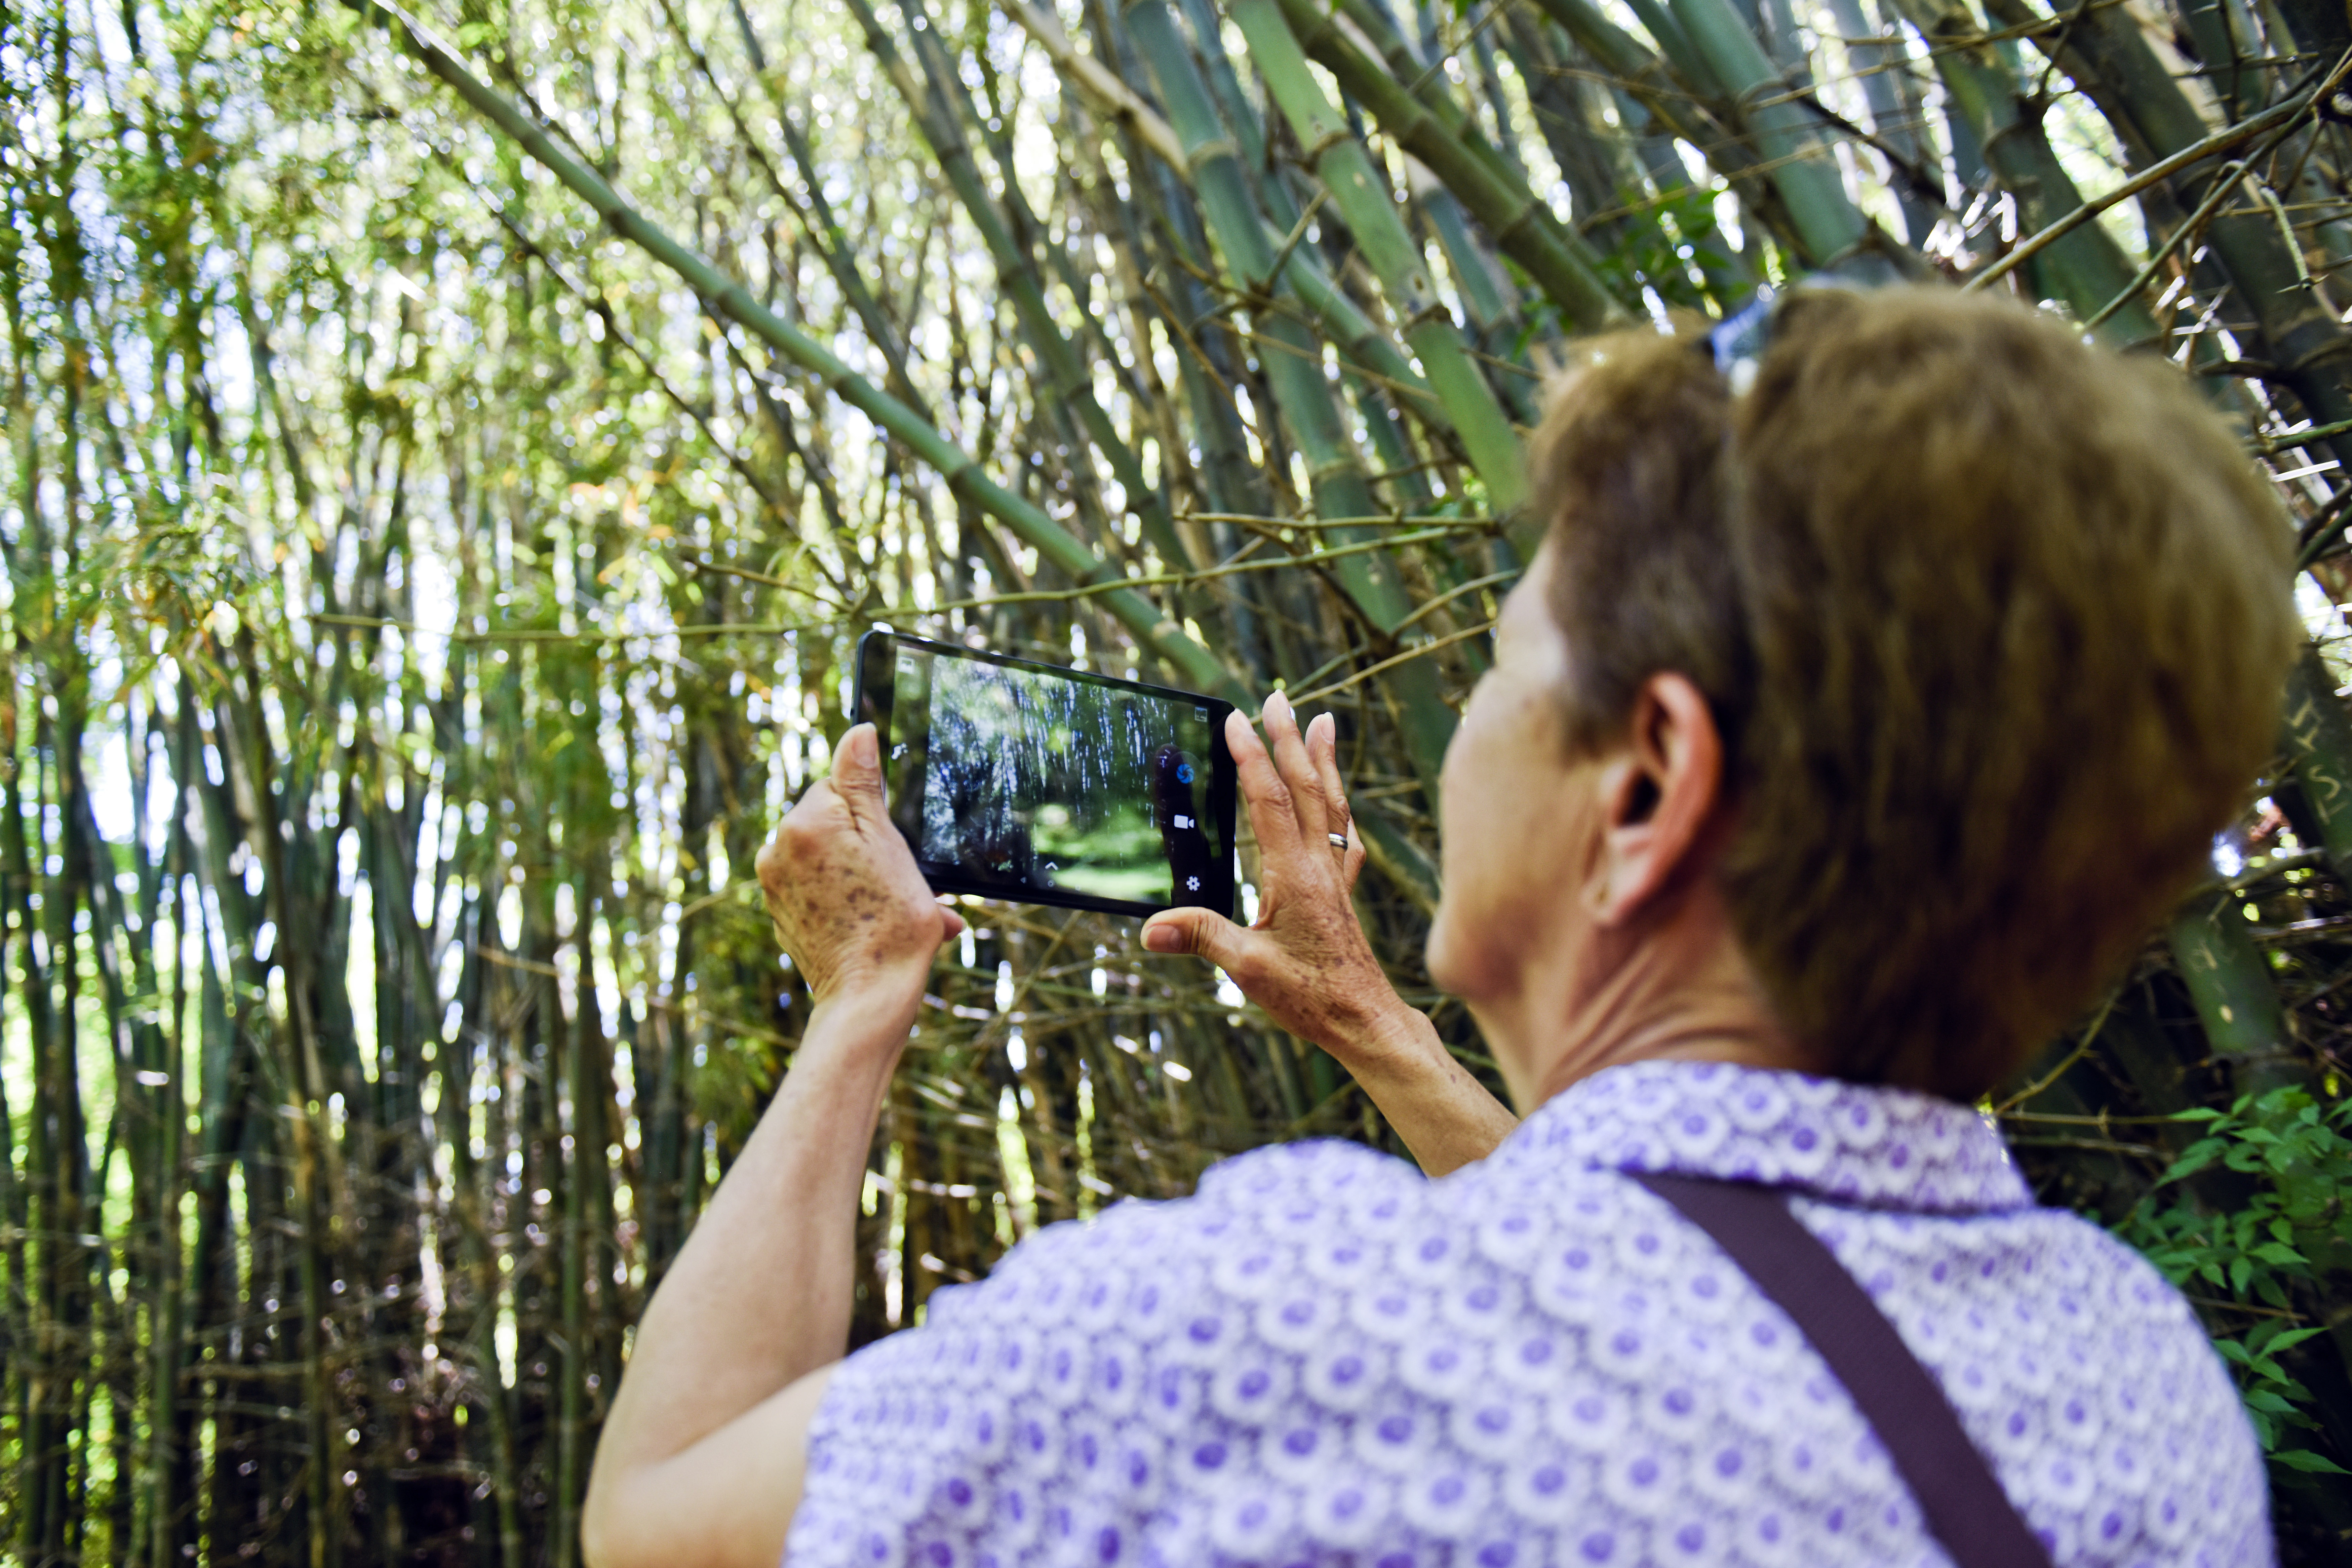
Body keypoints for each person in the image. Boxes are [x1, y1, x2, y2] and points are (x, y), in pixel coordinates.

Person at [580, 286, 2296, 1568]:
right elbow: (1676, 1290)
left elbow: (662, 1516)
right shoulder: (2141, 1378)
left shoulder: (1274, 1326)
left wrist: (864, 995)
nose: (1462, 728)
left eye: (1501, 664)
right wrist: (1376, 1026)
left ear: (1647, 790)